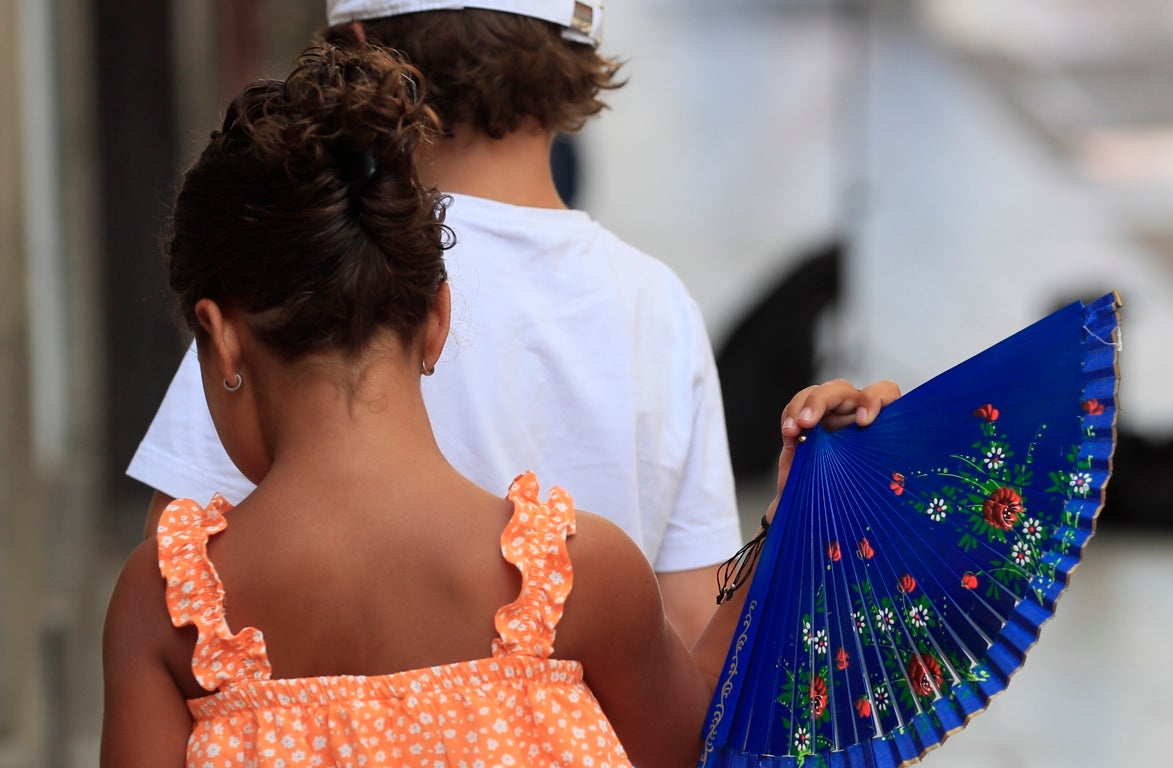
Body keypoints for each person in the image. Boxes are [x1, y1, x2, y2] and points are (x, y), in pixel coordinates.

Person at [100, 43, 899, 767]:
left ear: (222, 337)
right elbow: (709, 743)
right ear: (437, 318)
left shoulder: (166, 605)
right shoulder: (579, 577)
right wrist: (796, 521)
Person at [129, 0, 737, 644]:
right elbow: (694, 621)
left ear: (356, 51)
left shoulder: (324, 259)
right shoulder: (660, 304)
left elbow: (181, 585)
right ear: (578, 45)